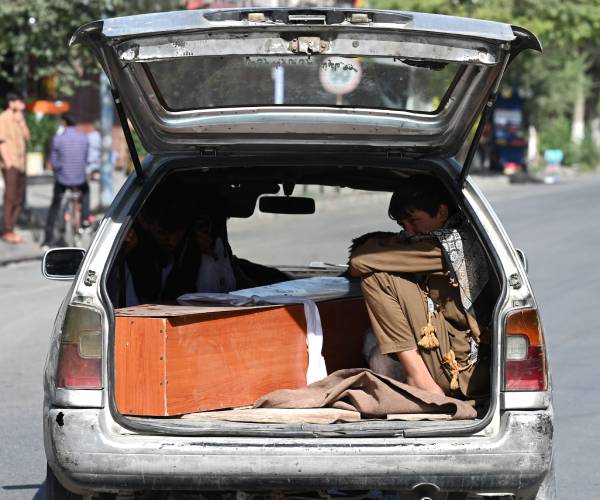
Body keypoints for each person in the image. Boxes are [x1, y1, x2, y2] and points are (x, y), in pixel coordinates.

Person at [349, 175, 491, 402]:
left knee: (377, 278)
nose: (409, 231)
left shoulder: (446, 248)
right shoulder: (448, 237)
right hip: (454, 356)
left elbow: (359, 262)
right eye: (402, 226)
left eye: (414, 221)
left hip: (464, 371)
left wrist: (388, 244)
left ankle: (419, 379)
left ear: (442, 213)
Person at [42, 113, 90, 247]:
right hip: (79, 179)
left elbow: (54, 162)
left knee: (55, 205)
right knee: (86, 192)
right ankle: (85, 218)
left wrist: (59, 169)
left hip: (63, 179)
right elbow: (85, 159)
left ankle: (48, 239)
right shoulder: (84, 138)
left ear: (64, 122)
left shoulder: (58, 139)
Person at [0, 92, 30, 244]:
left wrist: (22, 123)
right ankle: (7, 230)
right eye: (20, 101)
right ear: (11, 103)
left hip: (21, 165)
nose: (23, 104)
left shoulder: (20, 119)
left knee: (19, 198)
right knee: (10, 198)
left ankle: (11, 227)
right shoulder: (4, 118)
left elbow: (27, 137)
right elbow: (2, 142)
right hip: (11, 165)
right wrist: (9, 163)